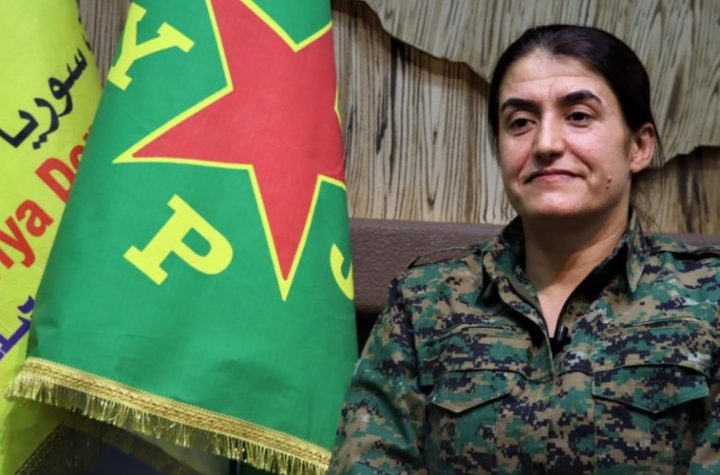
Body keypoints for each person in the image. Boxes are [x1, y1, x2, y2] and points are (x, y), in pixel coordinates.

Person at [328, 25, 720, 474]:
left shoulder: (709, 297)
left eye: (578, 116)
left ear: (639, 146)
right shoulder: (426, 302)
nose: (546, 144)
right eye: (520, 122)